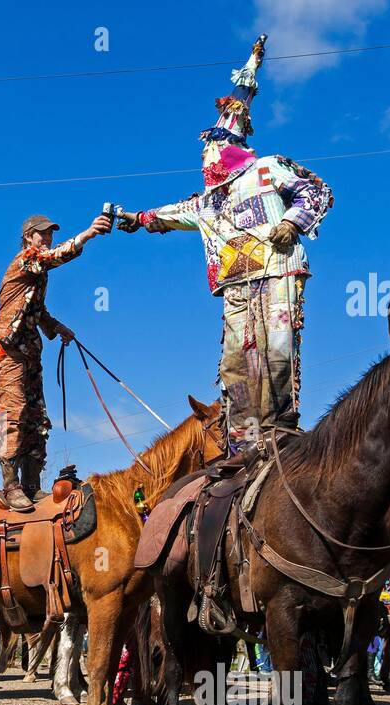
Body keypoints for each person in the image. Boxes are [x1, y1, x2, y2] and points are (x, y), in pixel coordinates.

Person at [116, 35, 333, 454]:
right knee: (237, 362)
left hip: (277, 269)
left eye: (217, 144)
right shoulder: (207, 202)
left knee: (277, 351)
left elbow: (316, 192)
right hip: (236, 285)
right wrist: (135, 219)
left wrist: (291, 222)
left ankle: (280, 427)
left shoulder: (269, 169)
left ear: (233, 145)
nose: (210, 153)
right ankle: (244, 439)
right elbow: (166, 213)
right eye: (207, 148)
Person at [0, 212, 110, 509]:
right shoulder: (26, 259)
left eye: (49, 233)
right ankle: (10, 484)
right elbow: (53, 257)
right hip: (8, 350)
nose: (47, 238)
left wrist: (57, 328)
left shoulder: (37, 276)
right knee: (13, 413)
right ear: (29, 236)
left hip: (29, 352)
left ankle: (31, 484)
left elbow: (38, 312)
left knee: (37, 418)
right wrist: (87, 234)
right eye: (41, 233)